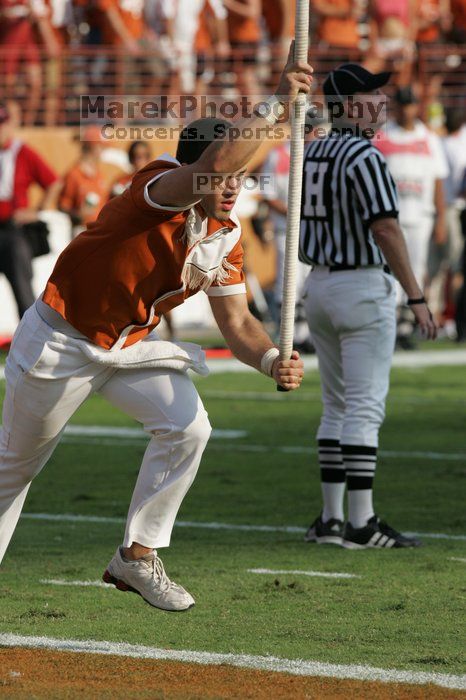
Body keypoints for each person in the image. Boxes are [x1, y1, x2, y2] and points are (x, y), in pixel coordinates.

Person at [0, 49, 311, 611]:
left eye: (240, 177)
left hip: (125, 349)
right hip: (59, 341)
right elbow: (214, 166)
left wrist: (270, 360)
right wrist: (279, 102)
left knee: (188, 427)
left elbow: (238, 321)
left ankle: (136, 557)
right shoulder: (160, 184)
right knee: (14, 470)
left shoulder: (226, 234)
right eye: (225, 175)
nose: (233, 185)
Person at [300, 64, 437, 549]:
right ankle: (362, 522)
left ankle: (332, 519)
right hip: (359, 285)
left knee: (335, 406)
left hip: (318, 285)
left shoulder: (312, 151)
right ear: (352, 104)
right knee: (362, 408)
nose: (382, 102)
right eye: (373, 95)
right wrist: (417, 296)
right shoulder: (365, 155)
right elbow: (385, 228)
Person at [376, 86, 448, 348]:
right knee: (390, 268)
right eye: (402, 104)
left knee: (415, 268)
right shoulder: (382, 136)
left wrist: (440, 218)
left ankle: (406, 325)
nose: (406, 110)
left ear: (417, 106)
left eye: (411, 104)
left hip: (420, 215)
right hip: (389, 216)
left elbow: (438, 180)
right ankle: (391, 322)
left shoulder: (428, 138)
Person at [0, 102, 60, 318]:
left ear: (8, 125)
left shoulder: (22, 152)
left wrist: (37, 210)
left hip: (12, 230)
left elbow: (53, 182)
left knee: (22, 288)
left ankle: (28, 343)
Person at [59, 127, 108, 230]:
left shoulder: (99, 174)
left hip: (100, 230)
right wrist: (78, 216)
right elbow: (63, 207)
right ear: (92, 147)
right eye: (101, 146)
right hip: (82, 231)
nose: (103, 151)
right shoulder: (74, 174)